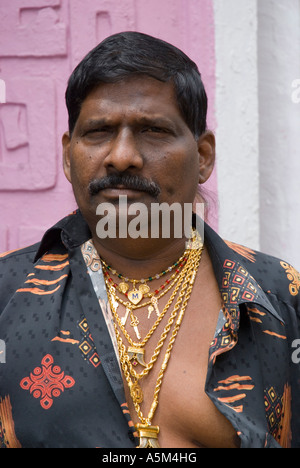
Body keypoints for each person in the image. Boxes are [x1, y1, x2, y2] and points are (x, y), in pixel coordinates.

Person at [0, 31, 299, 449]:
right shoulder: (8, 295)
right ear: (69, 157)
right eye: (100, 131)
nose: (122, 156)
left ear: (204, 156)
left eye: (153, 130)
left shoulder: (279, 296)